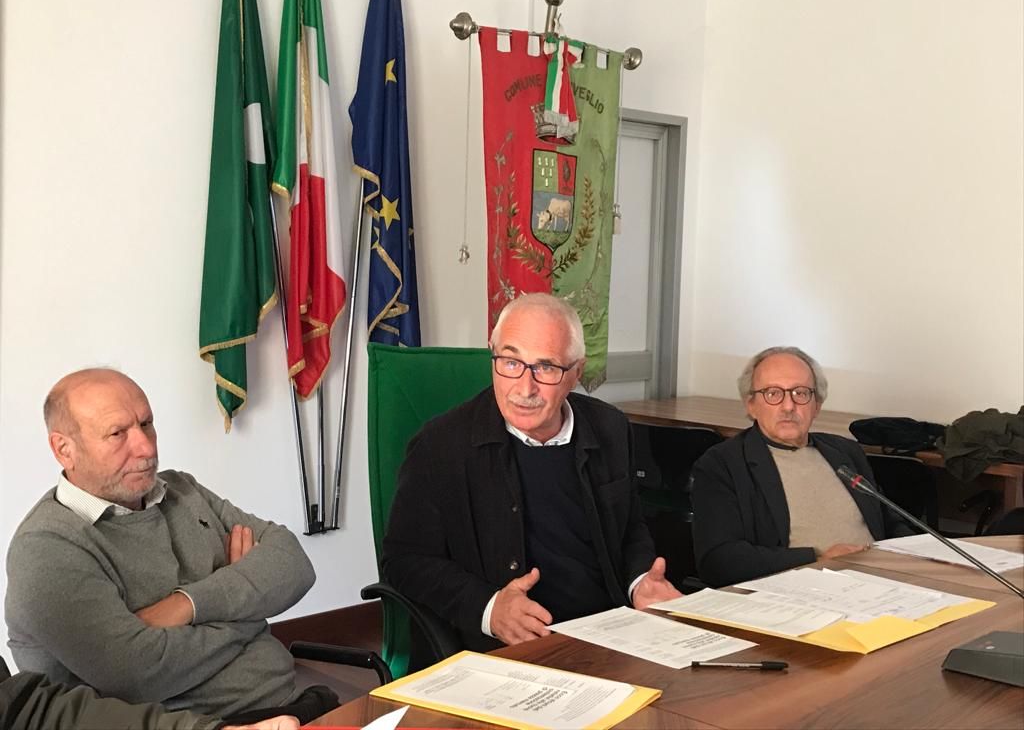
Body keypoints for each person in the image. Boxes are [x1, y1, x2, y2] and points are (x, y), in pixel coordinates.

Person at [4, 369, 337, 723]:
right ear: (64, 449)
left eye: (146, 424)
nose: (146, 448)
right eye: (117, 433)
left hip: (296, 704)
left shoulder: (181, 489)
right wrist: (249, 609)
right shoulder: (46, 548)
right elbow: (137, 674)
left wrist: (186, 605)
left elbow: (294, 563)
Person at [382, 293, 680, 654]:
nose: (525, 389)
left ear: (576, 372)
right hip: (500, 649)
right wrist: (489, 608)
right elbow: (405, 561)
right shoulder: (440, 445)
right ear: (492, 354)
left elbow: (629, 529)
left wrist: (640, 582)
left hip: (608, 635)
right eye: (510, 362)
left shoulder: (611, 428)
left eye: (546, 367)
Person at [691, 346, 913, 587]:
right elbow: (719, 561)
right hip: (797, 591)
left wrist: (917, 555)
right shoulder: (723, 464)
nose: (788, 406)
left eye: (801, 393)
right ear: (751, 405)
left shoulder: (846, 452)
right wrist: (817, 559)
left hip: (881, 583)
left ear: (817, 405)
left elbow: (891, 522)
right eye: (773, 393)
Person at [0, 655, 298, 730]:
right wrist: (239, 619)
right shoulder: (48, 542)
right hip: (216, 708)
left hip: (281, 699)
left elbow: (30, 711)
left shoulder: (192, 504)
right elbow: (138, 671)